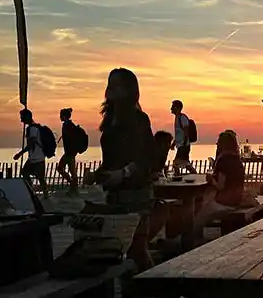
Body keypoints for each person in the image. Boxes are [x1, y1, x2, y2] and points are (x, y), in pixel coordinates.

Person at [82, 68, 157, 272]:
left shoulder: (139, 119)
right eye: (109, 83)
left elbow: (145, 158)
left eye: (117, 85)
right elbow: (110, 161)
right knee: (117, 253)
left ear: (129, 90)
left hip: (137, 194)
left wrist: (123, 173)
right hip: (115, 196)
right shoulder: (109, 121)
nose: (110, 89)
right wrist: (97, 175)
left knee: (137, 251)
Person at [195, 131, 245, 238]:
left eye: (218, 142)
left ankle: (190, 243)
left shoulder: (223, 160)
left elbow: (221, 186)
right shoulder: (238, 160)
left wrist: (211, 180)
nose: (216, 144)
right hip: (237, 200)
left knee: (198, 218)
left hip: (225, 202)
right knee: (202, 204)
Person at [12, 109, 49, 199]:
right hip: (39, 157)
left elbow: (30, 144)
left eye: (22, 118)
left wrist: (19, 154)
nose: (21, 120)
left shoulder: (32, 129)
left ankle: (32, 192)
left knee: (27, 174)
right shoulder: (35, 127)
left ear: (27, 117)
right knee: (38, 177)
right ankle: (42, 194)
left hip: (36, 158)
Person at [170, 100, 197, 175]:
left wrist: (185, 143)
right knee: (185, 164)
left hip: (184, 146)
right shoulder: (177, 118)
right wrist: (174, 143)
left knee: (176, 164)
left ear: (177, 108)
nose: (171, 108)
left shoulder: (182, 118)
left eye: (173, 107)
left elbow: (186, 131)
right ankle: (194, 175)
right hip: (182, 145)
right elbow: (179, 134)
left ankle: (177, 178)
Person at [57, 108, 79, 196]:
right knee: (72, 171)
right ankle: (73, 188)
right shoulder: (68, 125)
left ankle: (73, 186)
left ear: (65, 116)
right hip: (70, 152)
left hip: (69, 152)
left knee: (60, 168)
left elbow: (70, 139)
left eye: (61, 115)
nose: (60, 117)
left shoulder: (68, 126)